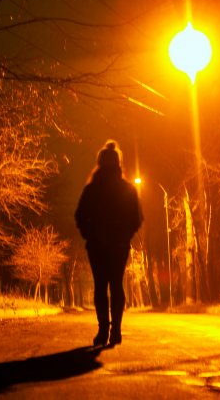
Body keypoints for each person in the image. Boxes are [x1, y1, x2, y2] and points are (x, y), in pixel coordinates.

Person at [75, 140, 143, 347]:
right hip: (119, 245)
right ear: (118, 163)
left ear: (100, 163)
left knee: (100, 286)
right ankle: (116, 331)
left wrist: (89, 234)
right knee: (116, 285)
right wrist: (125, 235)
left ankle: (103, 330)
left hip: (96, 245)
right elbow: (137, 218)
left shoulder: (91, 189)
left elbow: (80, 215)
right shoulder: (128, 189)